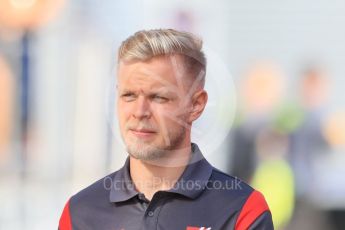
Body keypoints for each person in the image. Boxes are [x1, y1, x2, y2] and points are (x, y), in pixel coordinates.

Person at [58, 29, 273, 230]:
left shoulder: (242, 210)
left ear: (196, 105)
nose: (139, 111)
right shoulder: (79, 213)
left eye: (158, 97)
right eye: (129, 95)